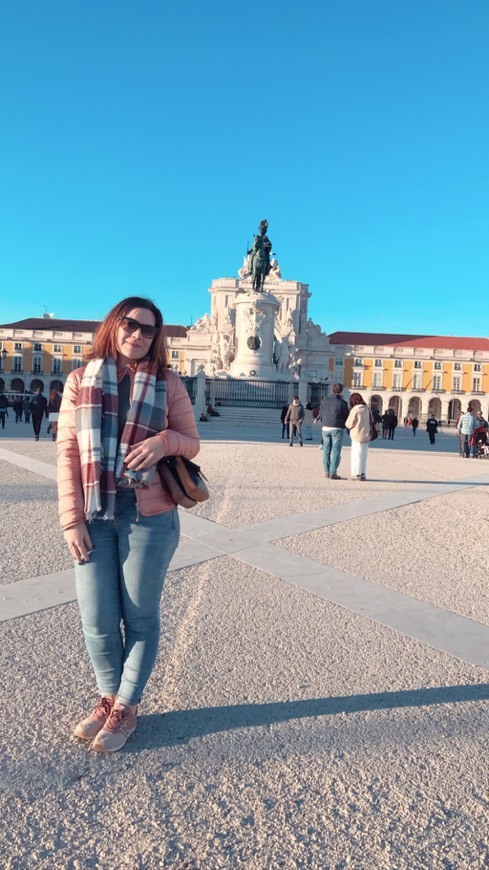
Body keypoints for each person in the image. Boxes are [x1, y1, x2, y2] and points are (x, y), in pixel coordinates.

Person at [57, 296, 200, 753]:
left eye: (149, 329)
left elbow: (191, 444)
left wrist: (163, 443)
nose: (138, 335)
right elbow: (67, 454)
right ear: (114, 325)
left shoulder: (168, 382)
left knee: (139, 618)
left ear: (157, 337)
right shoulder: (80, 381)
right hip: (95, 515)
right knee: (96, 618)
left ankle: (126, 706)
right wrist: (70, 519)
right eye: (131, 325)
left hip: (149, 515)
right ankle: (108, 697)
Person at [315, 383, 349, 479]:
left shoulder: (325, 400)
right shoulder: (343, 403)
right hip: (337, 428)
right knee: (336, 450)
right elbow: (347, 416)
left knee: (326, 450)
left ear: (332, 390)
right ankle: (333, 472)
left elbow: (321, 413)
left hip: (325, 427)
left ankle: (326, 471)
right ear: (341, 391)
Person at [345, 393, 371, 480]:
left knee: (356, 455)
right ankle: (363, 473)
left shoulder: (355, 409)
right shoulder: (367, 408)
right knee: (364, 455)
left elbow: (349, 423)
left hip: (357, 435)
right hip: (366, 435)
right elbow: (372, 420)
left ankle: (356, 474)